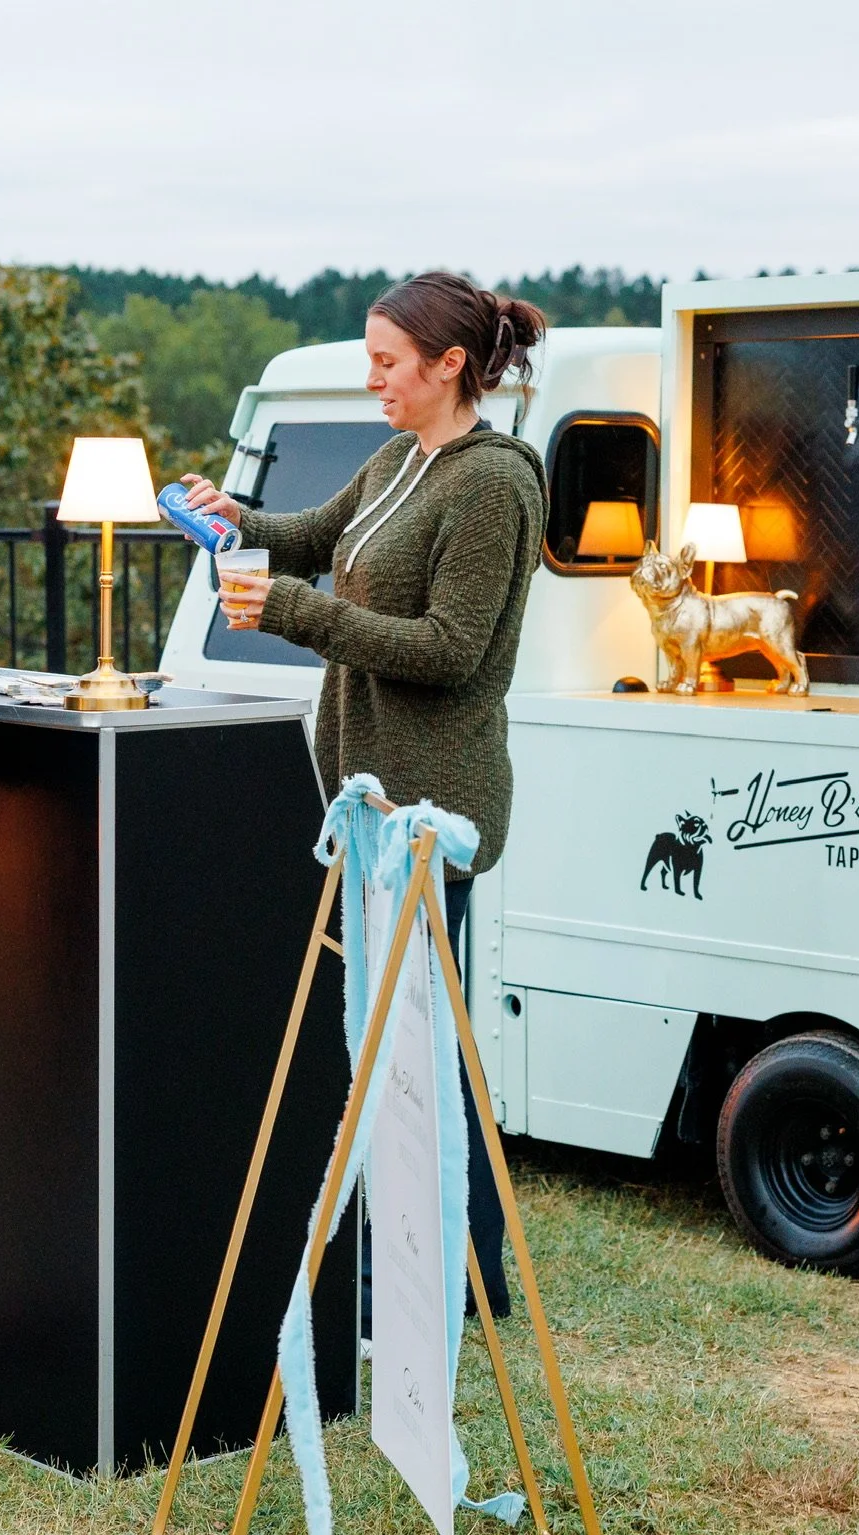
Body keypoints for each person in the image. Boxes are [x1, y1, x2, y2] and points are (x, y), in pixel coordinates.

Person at [182, 271, 548, 1318]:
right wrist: (234, 518)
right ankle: (436, 1272)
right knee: (398, 1044)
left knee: (420, 1050)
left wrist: (294, 614)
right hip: (367, 795)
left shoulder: (493, 485)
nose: (374, 379)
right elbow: (315, 538)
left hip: (432, 806)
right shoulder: (399, 458)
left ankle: (452, 1277)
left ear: (450, 364)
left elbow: (448, 649)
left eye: (389, 362)